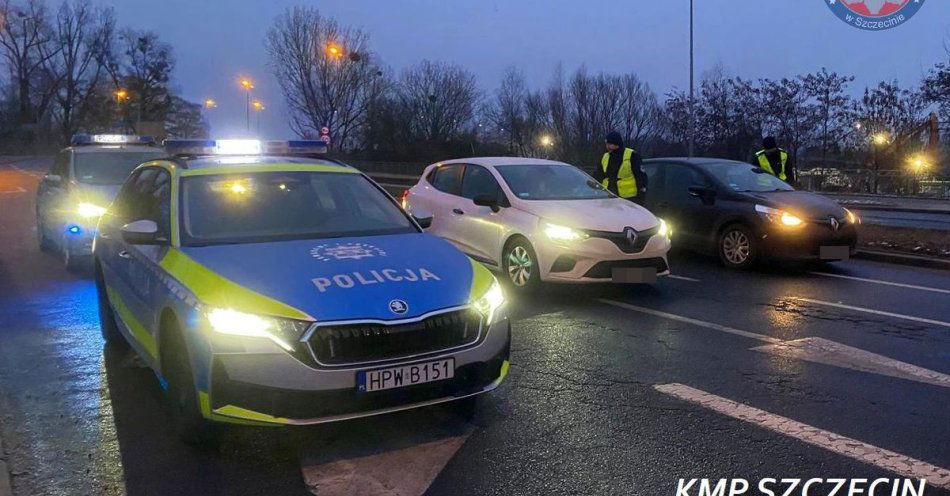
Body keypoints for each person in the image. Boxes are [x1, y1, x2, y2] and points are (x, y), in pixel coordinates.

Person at [594, 131, 647, 205]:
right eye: (607, 144)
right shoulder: (605, 156)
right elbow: (598, 176)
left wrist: (640, 198)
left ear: (616, 144)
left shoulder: (632, 155)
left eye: (609, 144)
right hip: (608, 197)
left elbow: (641, 178)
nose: (607, 146)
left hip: (629, 199)